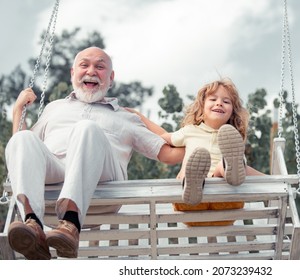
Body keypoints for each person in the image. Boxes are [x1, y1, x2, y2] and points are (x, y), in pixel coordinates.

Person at [5, 46, 184, 259]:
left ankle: (71, 225)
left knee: (86, 128)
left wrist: (203, 142)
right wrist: (18, 110)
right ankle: (33, 227)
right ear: (73, 73)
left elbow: (168, 154)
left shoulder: (125, 116)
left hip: (102, 187)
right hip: (54, 184)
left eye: (99, 67)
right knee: (23, 138)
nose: (91, 71)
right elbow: (24, 154)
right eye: (84, 65)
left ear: (111, 77)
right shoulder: (54, 108)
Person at [128, 78, 264, 226]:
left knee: (225, 166)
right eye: (213, 99)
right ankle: (194, 182)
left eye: (226, 101)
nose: (219, 103)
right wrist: (138, 116)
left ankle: (224, 170)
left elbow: (246, 170)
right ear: (202, 106)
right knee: (205, 164)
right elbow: (162, 137)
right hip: (191, 205)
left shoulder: (232, 139)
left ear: (232, 111)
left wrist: (275, 180)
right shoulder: (190, 131)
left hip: (226, 203)